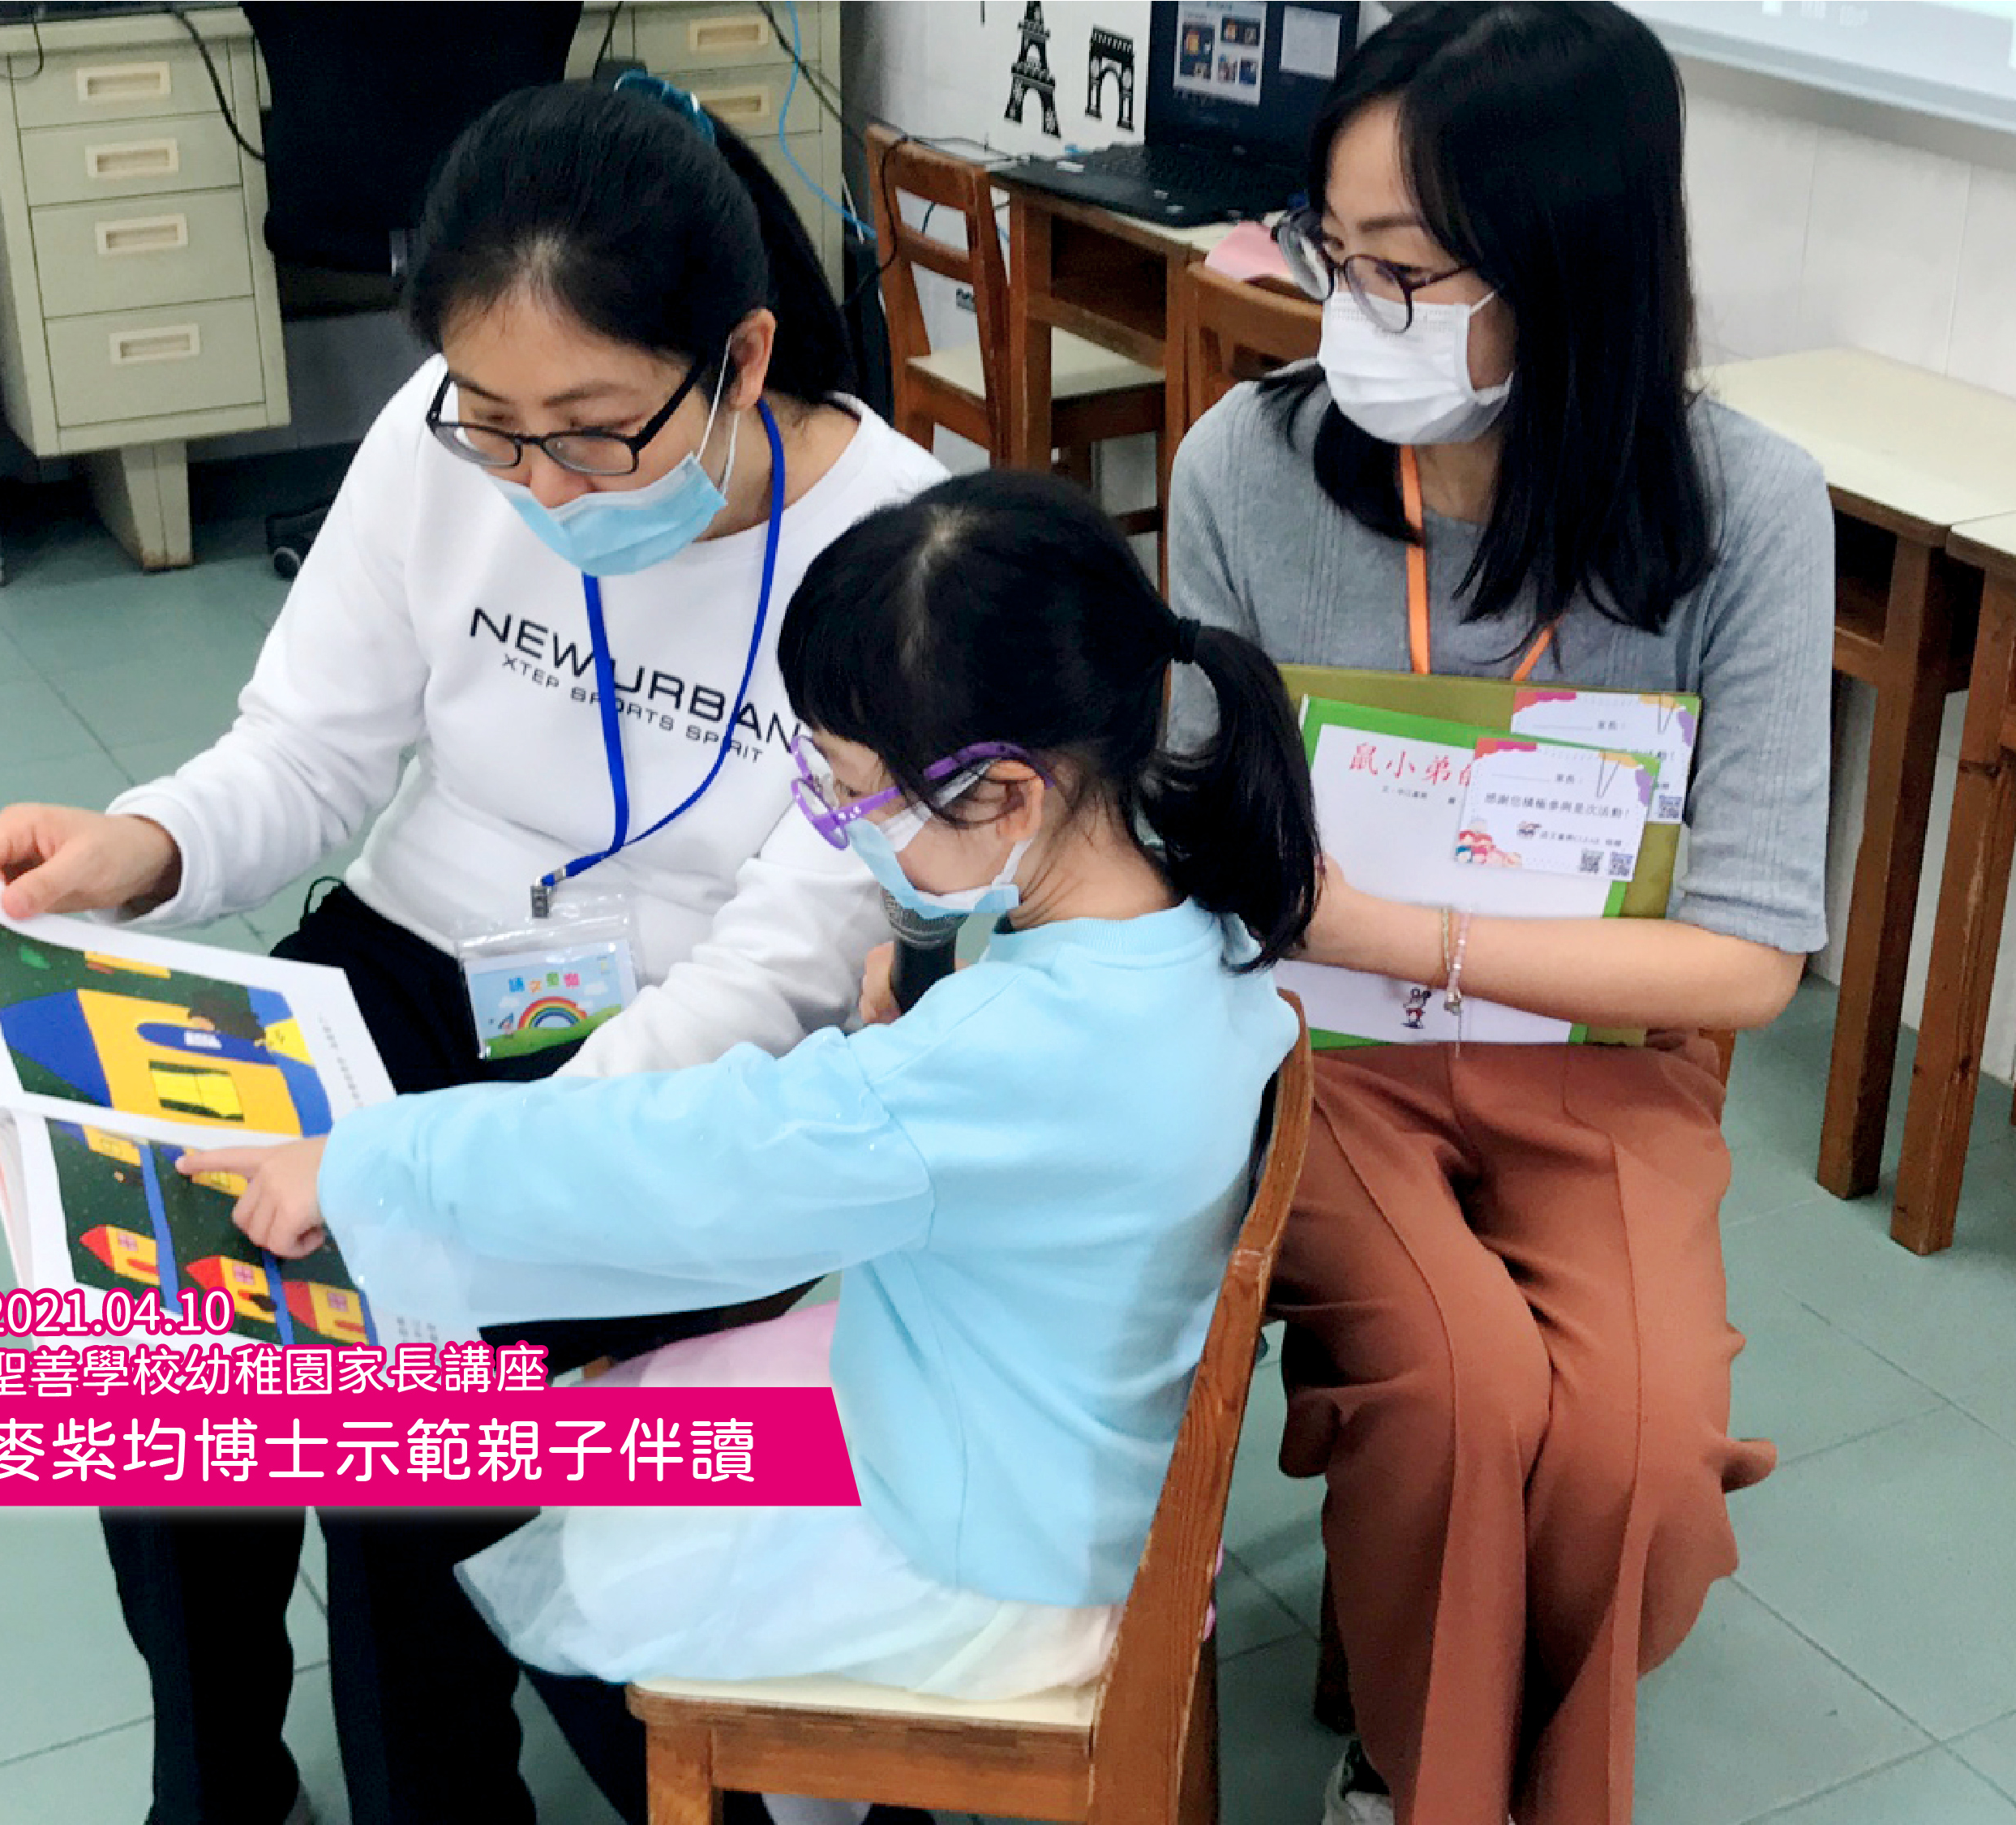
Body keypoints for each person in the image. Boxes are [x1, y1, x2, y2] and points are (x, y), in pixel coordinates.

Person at [0, 79, 947, 1825]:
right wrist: (138, 844)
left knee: (403, 1388)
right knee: (151, 1318)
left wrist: (432, 1174)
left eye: (596, 430)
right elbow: (307, 748)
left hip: (676, 1069)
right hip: (401, 962)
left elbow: (769, 973)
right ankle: (218, 1775)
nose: (535, 479)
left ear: (743, 357)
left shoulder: (904, 553)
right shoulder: (438, 439)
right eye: (495, 424)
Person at [180, 470, 1321, 1823]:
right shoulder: (1203, 924)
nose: (840, 831)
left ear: (1009, 794)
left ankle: (768, 1783)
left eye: (854, 799)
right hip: (1061, 1456)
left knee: (477, 1453)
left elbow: (680, 1163)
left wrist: (368, 1163)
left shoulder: (973, 1071)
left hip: (979, 1551)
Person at [1165, 8, 1832, 1824]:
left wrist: (1404, 931)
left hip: (1594, 1055)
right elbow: (1185, 825)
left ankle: (1436, 1743)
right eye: (1331, 250)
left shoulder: (1744, 510)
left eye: (1404, 270)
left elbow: (1746, 956)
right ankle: (1420, 1778)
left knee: (1631, 1462)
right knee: (1459, 1392)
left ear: (1569, 270)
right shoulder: (1243, 466)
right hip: (1330, 1055)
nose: (1345, 305)